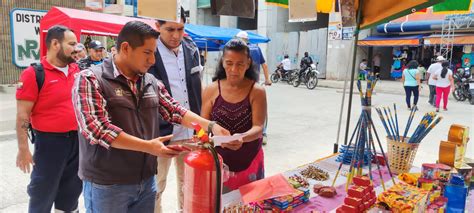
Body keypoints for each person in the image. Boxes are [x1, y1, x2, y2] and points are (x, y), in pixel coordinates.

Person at [72, 21, 229, 212]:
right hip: (108, 184)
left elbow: (174, 110)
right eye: (147, 53)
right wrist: (149, 147)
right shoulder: (90, 79)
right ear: (126, 48)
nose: (153, 60)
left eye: (154, 53)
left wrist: (211, 126)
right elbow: (98, 129)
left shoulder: (150, 81)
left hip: (145, 181)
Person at [15, 25, 82, 213]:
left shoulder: (76, 70)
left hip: (77, 141)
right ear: (55, 44)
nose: (76, 48)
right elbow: (22, 115)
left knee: (72, 190)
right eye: (71, 44)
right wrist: (23, 150)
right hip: (49, 143)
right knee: (43, 191)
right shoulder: (34, 74)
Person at [147, 7, 204, 212]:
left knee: (189, 186)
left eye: (180, 29)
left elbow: (198, 88)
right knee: (156, 186)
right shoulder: (149, 51)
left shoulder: (191, 48)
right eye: (170, 29)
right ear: (157, 26)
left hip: (192, 132)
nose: (176, 35)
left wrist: (202, 126)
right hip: (161, 133)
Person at [201, 39, 267, 193]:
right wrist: (208, 139)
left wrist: (241, 138)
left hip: (249, 160)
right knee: (219, 205)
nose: (234, 69)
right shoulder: (211, 90)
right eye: (229, 63)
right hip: (217, 163)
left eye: (240, 64)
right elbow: (203, 126)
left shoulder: (257, 91)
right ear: (222, 62)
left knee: (249, 205)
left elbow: (258, 128)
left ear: (248, 63)